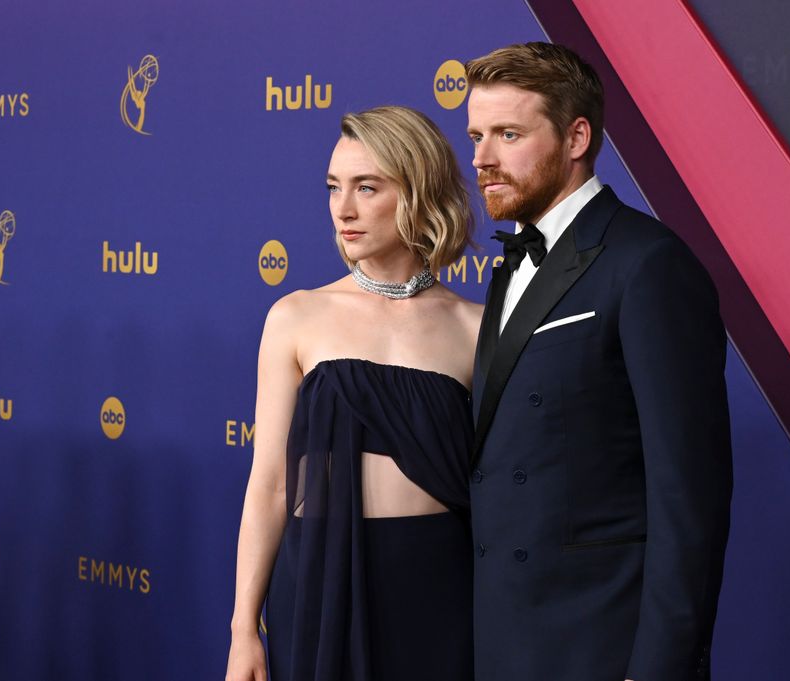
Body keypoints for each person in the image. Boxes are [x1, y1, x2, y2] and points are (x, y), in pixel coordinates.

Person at [465, 43, 733, 681]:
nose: (481, 159)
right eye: (475, 136)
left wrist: (660, 669)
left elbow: (687, 496)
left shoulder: (648, 263)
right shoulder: (508, 269)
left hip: (602, 646)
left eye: (508, 134)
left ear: (577, 135)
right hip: (507, 642)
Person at [225, 105, 482, 681]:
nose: (344, 209)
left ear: (418, 190)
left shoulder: (475, 328)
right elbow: (268, 484)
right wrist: (244, 629)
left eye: (367, 188)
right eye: (334, 187)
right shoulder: (297, 315)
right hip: (320, 574)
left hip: (437, 583)